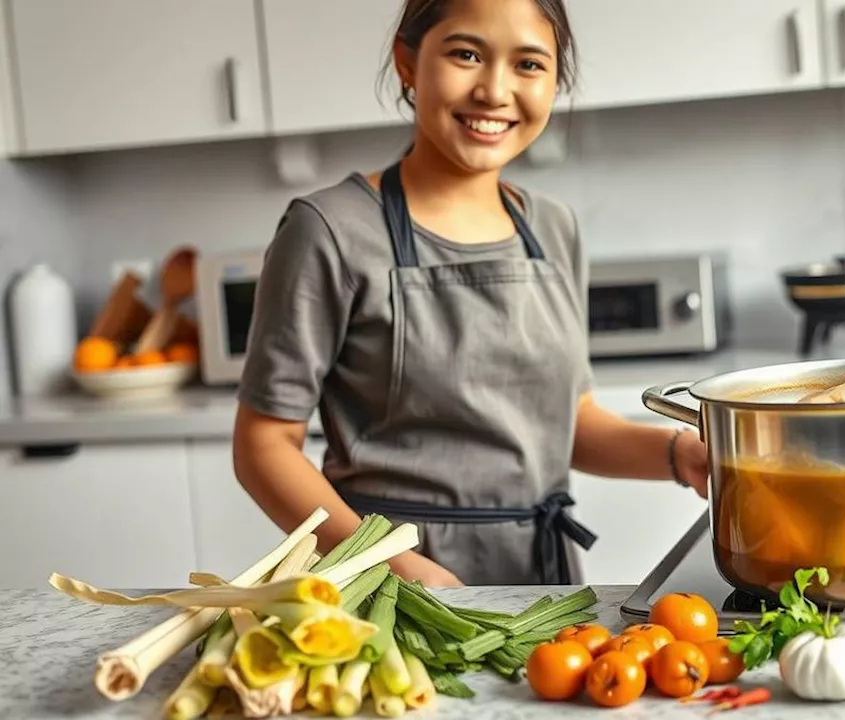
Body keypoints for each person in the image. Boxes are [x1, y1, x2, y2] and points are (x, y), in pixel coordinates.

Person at [232, 0, 708, 588]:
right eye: (466, 54)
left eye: (529, 64)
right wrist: (389, 567)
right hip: (391, 587)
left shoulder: (553, 228)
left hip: (542, 579)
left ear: (555, 82)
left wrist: (679, 455)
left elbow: (568, 423)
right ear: (407, 61)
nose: (494, 90)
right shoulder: (329, 230)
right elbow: (262, 446)